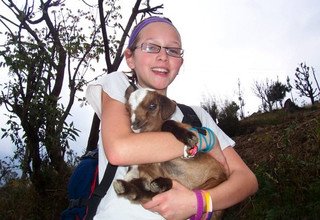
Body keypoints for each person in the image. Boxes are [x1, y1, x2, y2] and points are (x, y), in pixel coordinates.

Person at [86, 16, 258, 220]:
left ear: (180, 62)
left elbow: (247, 180)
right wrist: (203, 140)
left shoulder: (197, 116)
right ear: (130, 58)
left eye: (173, 50)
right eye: (151, 47)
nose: (163, 56)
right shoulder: (121, 88)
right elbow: (120, 150)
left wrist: (198, 202)